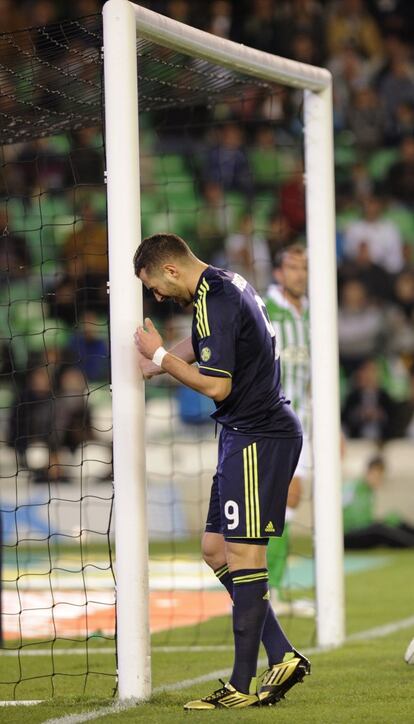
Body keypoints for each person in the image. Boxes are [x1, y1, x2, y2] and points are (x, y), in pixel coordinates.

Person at [133, 233, 310, 710]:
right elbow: (207, 341)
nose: (156, 297)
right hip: (243, 434)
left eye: (153, 286)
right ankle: (284, 654)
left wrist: (159, 357)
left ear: (170, 270)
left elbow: (216, 386)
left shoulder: (216, 297)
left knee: (245, 556)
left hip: (259, 435)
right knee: (216, 551)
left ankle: (238, 686)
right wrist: (165, 359)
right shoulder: (223, 284)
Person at [264, 244, 314, 616]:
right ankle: (269, 591)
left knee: (289, 504)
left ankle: (273, 589)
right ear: (279, 273)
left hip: (309, 423)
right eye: (293, 267)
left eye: (304, 267)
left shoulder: (313, 311)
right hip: (277, 421)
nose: (300, 274)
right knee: (284, 500)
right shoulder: (267, 311)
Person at [343, 456, 414, 548]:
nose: (379, 480)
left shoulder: (369, 492)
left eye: (381, 477)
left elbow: (366, 521)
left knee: (394, 519)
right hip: (346, 535)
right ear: (368, 472)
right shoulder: (351, 488)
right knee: (379, 529)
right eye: (376, 476)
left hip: (362, 530)